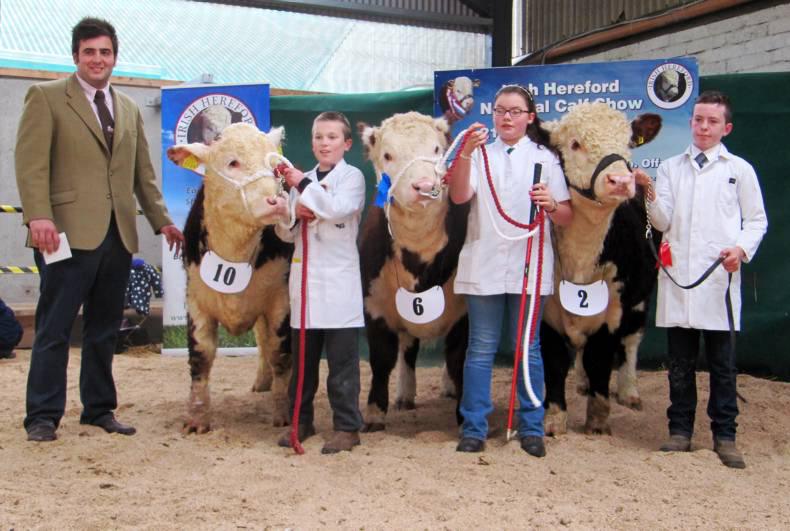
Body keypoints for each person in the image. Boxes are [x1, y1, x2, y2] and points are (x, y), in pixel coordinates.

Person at [15, 17, 184, 442]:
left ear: (114, 57)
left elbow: (142, 174)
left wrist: (162, 219)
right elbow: (31, 164)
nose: (97, 59)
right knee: (54, 328)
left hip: (117, 235)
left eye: (104, 52)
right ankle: (42, 416)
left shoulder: (126, 107)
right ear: (76, 56)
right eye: (89, 52)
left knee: (104, 328)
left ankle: (98, 409)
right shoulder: (47, 97)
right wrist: (39, 216)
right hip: (63, 234)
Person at [638, 90, 767, 469]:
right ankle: (680, 431)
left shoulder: (738, 170)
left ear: (725, 127)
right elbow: (663, 221)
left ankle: (725, 436)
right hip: (680, 279)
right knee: (679, 362)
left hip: (718, 282)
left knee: (723, 365)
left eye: (711, 122)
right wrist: (648, 193)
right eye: (698, 120)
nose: (703, 127)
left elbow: (757, 220)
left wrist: (740, 249)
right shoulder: (671, 168)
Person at [448, 84, 573, 456]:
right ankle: (474, 426)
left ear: (529, 118)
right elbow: (458, 196)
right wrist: (465, 155)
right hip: (483, 260)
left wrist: (551, 204)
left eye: (515, 111)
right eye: (501, 110)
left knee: (527, 348)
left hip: (529, 263)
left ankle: (530, 425)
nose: (507, 117)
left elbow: (565, 215)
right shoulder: (480, 155)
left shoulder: (546, 160)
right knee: (481, 347)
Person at [275, 112, 365, 454]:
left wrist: (301, 185)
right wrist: (290, 216)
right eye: (318, 137)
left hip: (339, 283)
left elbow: (338, 208)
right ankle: (302, 421)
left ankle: (347, 426)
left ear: (346, 144)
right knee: (303, 363)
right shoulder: (305, 181)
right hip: (306, 283)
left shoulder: (352, 177)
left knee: (342, 364)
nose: (324, 143)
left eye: (331, 137)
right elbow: (286, 234)